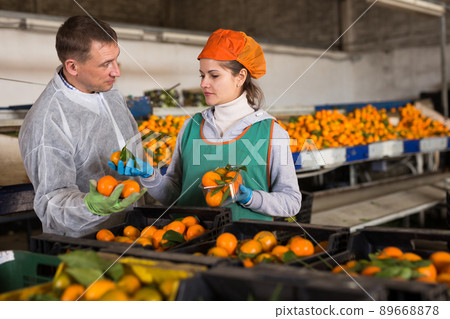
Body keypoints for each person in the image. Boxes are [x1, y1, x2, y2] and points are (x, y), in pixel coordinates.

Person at [111, 29, 301, 221]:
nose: (204, 84)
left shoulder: (271, 132)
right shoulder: (190, 127)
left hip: (246, 245)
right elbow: (173, 196)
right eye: (202, 75)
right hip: (188, 242)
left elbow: (291, 203)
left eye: (214, 76)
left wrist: (252, 198)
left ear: (241, 77)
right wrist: (150, 177)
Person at [19, 16, 146, 237]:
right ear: (73, 66)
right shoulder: (47, 120)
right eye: (106, 64)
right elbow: (52, 204)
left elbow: (133, 145)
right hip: (86, 245)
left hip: (135, 231)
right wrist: (90, 206)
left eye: (116, 60)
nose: (117, 71)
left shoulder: (110, 93)